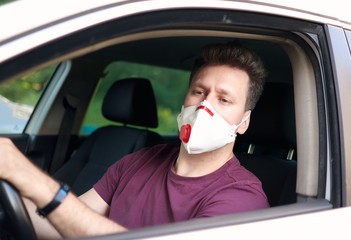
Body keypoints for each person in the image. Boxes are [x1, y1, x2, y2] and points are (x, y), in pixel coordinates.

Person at [0, 41, 269, 239]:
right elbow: (63, 223)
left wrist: (32, 179)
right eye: (199, 91)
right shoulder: (143, 159)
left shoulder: (242, 199)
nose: (205, 107)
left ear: (244, 121)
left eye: (223, 99)